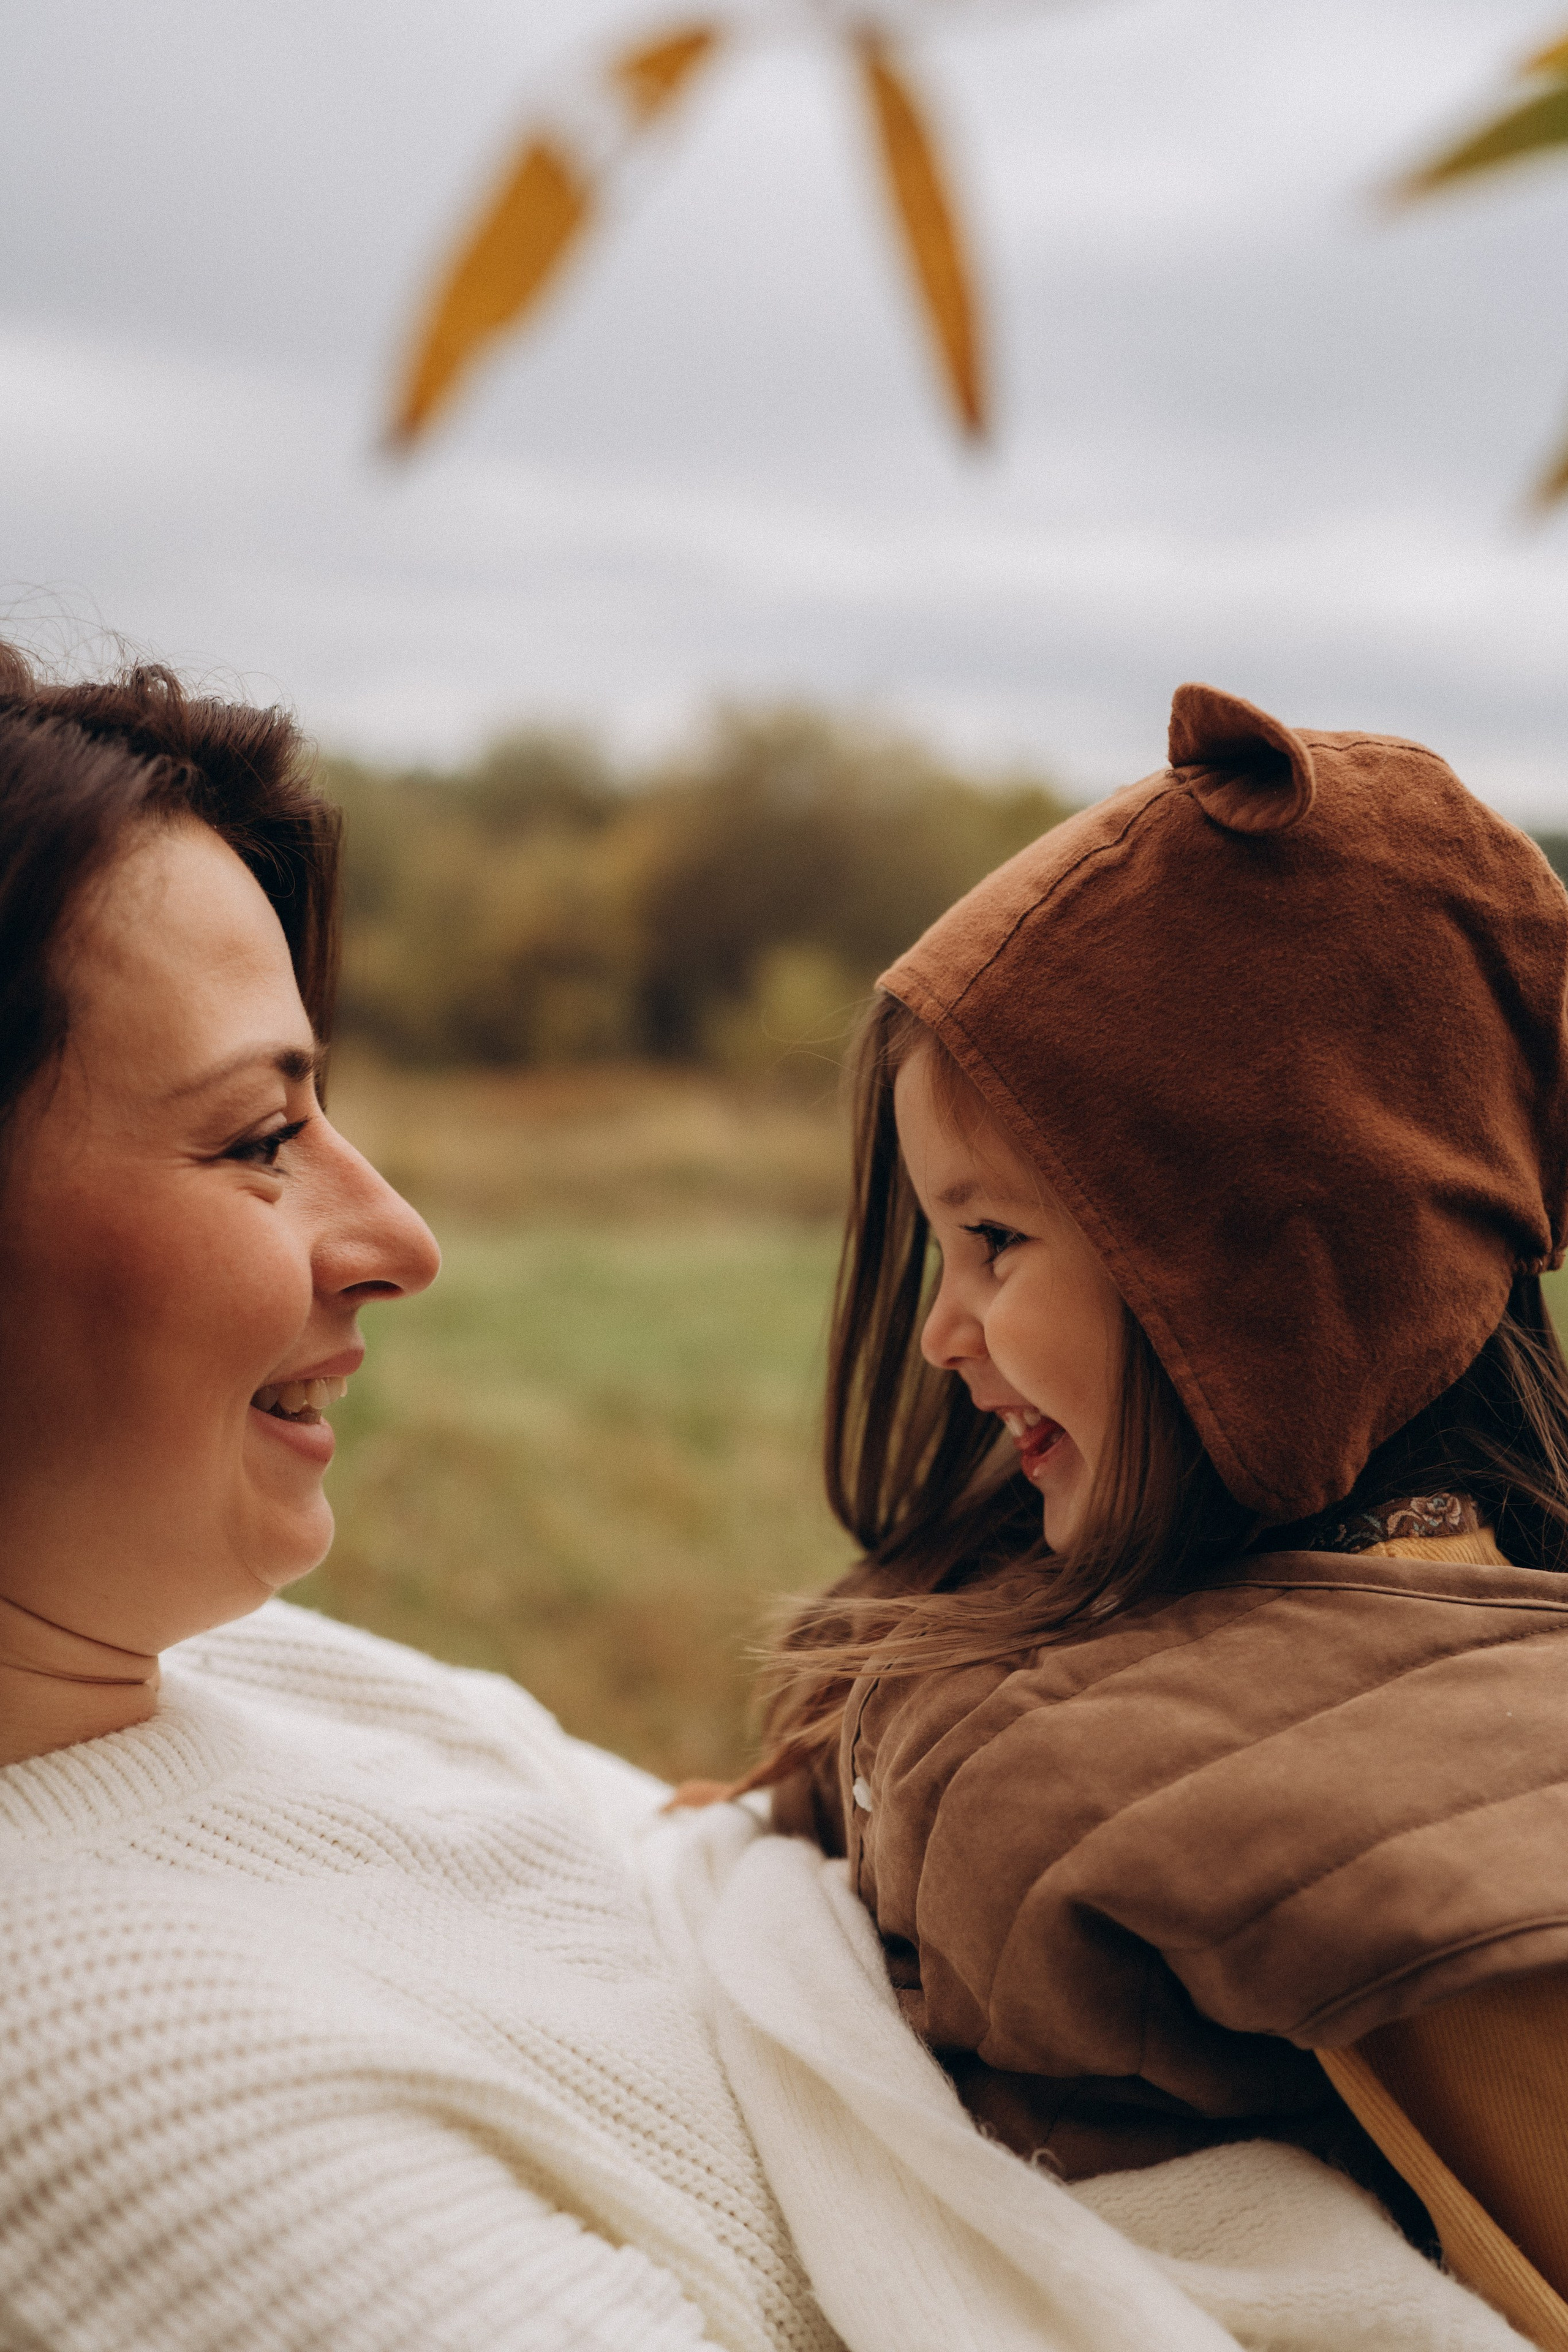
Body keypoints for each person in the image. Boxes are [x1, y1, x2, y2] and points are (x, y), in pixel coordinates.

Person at [0, 646, 837, 2352]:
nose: (401, 1242)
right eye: (257, 1140)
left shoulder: (254, 1669)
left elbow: (751, 1877)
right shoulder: (105, 2092)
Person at [736, 682, 1568, 2330]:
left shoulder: (1446, 1805)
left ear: (1263, 1266)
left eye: (998, 1244)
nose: (941, 1335)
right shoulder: (1073, 1593)